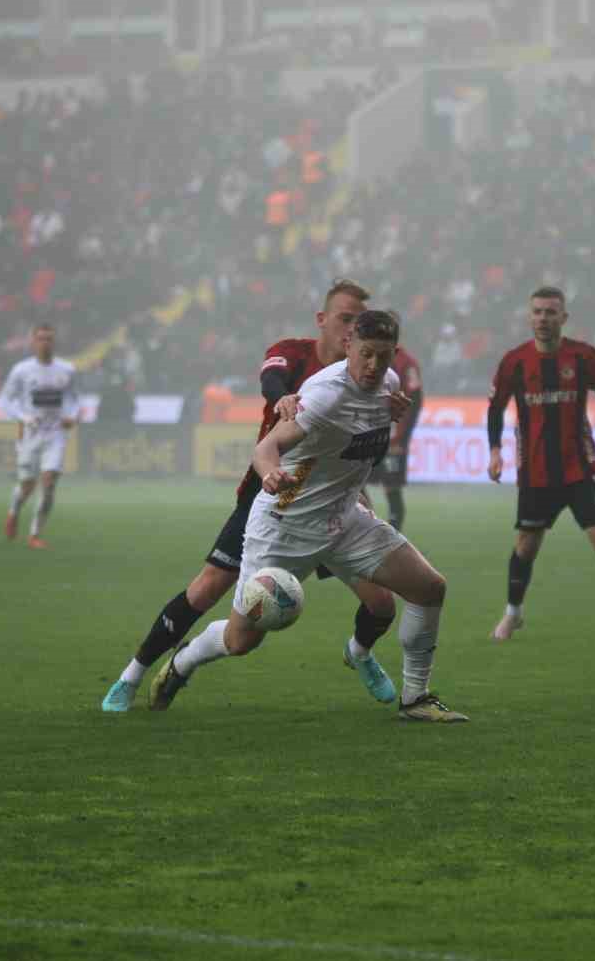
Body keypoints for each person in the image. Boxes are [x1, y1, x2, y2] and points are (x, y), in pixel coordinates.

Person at [102, 280, 408, 713]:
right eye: (344, 318)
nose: (349, 330)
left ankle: (359, 654)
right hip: (275, 496)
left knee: (381, 603)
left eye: (356, 323)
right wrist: (281, 397)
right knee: (209, 589)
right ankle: (132, 676)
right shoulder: (296, 355)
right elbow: (272, 376)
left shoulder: (369, 377)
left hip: (333, 506)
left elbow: (358, 446)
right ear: (324, 320)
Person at [149, 310, 467, 723]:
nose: (373, 366)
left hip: (343, 518)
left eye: (383, 357)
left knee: (429, 588)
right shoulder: (324, 395)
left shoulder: (388, 385)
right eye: (366, 354)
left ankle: (415, 698)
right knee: (241, 639)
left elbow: (357, 434)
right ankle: (183, 662)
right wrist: (270, 475)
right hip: (284, 526)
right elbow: (266, 449)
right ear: (349, 344)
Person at [486, 286, 595, 649]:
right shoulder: (514, 362)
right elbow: (495, 407)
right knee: (527, 545)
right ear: (530, 316)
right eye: (538, 312)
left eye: (551, 312)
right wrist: (495, 450)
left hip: (581, 466)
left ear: (564, 317)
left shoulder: (583, 357)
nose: (543, 318)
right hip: (536, 471)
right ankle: (513, 612)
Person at [0, 323, 79, 549]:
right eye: (41, 338)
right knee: (27, 485)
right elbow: (6, 400)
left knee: (49, 481)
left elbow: (75, 399)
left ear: (54, 342)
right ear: (33, 342)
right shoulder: (21, 370)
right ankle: (14, 512)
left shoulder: (67, 370)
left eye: (49, 339)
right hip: (30, 434)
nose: (45, 342)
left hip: (55, 434)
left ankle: (35, 534)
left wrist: (71, 416)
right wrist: (23, 418)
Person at [368, 341, 423, 531]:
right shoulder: (367, 357)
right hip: (368, 435)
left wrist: (402, 437)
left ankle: (392, 537)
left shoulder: (406, 362)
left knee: (391, 487)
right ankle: (367, 529)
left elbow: (415, 399)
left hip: (393, 439)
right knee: (356, 483)